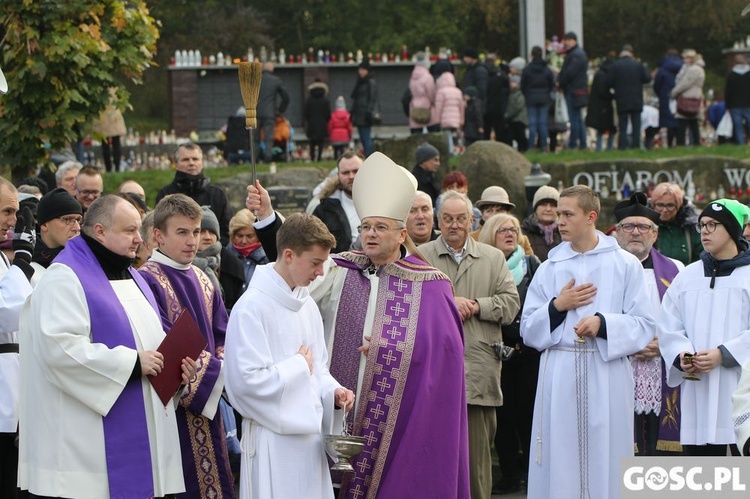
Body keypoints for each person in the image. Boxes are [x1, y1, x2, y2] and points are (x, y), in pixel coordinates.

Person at [308, 152, 470, 498]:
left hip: (400, 415)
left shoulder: (431, 284)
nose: (370, 235)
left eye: (380, 228)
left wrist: (392, 348)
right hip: (337, 409)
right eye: (365, 227)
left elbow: (446, 355)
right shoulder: (338, 270)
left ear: (401, 235)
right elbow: (290, 288)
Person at [18, 195, 194, 498]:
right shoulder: (65, 277)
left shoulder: (133, 276)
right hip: (87, 454)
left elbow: (150, 343)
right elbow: (60, 350)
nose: (139, 240)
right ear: (100, 231)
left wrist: (176, 371)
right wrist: (133, 363)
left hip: (145, 437)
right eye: (129, 231)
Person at [521, 185, 654, 499]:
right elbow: (528, 329)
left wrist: (603, 323)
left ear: (591, 216)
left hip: (605, 373)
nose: (560, 221)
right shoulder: (549, 267)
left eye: (568, 214)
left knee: (605, 452)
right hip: (560, 371)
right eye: (558, 214)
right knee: (561, 452)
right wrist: (557, 306)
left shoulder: (624, 265)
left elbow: (645, 324)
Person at [224, 213, 355, 499]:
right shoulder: (251, 307)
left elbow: (318, 369)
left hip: (309, 444)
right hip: (273, 443)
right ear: (288, 254)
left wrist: (333, 391)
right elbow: (244, 384)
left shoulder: (305, 305)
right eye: (315, 262)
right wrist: (297, 366)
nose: (320, 272)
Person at [420, 192, 520, 499]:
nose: (454, 225)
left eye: (461, 218)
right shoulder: (420, 256)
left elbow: (511, 305)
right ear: (438, 221)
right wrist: (450, 303)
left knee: (477, 463)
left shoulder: (492, 258)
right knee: (434, 460)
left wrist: (477, 305)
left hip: (478, 370)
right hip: (433, 373)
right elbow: (410, 306)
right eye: (447, 219)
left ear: (472, 221)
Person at [138, 194, 235, 498]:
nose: (193, 241)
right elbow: (159, 338)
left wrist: (223, 367)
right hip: (170, 404)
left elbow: (222, 334)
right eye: (182, 232)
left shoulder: (204, 279)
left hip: (209, 403)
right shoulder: (145, 280)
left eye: (195, 232)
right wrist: (219, 376)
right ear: (158, 236)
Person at [659, 198, 750, 456]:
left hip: (740, 390)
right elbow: (669, 323)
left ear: (732, 230)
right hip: (697, 391)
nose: (705, 231)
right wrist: (681, 355)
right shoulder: (687, 276)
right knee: (703, 474)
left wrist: (724, 354)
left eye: (713, 225)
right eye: (702, 226)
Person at [612, 193, 685, 456]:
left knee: (659, 448)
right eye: (628, 226)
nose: (635, 232)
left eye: (643, 227)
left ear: (655, 234)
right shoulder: (606, 270)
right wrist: (629, 344)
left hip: (661, 367)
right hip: (619, 365)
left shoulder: (676, 270)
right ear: (617, 233)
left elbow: (684, 320)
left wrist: (662, 344)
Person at [478, 213, 541, 495]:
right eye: (502, 229)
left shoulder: (531, 264)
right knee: (502, 418)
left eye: (514, 229)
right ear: (490, 233)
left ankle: (531, 471)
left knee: (529, 415)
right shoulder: (485, 265)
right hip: (496, 349)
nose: (509, 233)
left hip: (528, 352)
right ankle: (509, 474)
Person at [156, 142, 233, 245]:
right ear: (176, 163)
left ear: (201, 162)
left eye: (195, 159)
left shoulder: (217, 195)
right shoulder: (165, 195)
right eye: (185, 159)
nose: (191, 163)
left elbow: (226, 231)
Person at [312, 151, 364, 253]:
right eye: (345, 173)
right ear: (338, 175)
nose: (351, 176)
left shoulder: (383, 204)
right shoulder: (324, 210)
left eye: (356, 171)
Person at [221, 209, 269, 312]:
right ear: (233, 236)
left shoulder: (267, 260)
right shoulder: (224, 259)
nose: (244, 241)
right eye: (239, 236)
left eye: (249, 236)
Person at [609, 44, 652, 150]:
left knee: (622, 126)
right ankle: (635, 146)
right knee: (636, 125)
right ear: (631, 53)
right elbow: (647, 78)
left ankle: (622, 146)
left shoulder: (616, 66)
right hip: (636, 99)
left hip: (621, 99)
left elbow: (609, 82)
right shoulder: (637, 65)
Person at [649, 182, 702, 266]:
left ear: (678, 205)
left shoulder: (691, 228)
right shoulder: (645, 227)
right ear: (653, 205)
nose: (665, 210)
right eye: (660, 205)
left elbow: (702, 258)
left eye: (670, 205)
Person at [558, 32, 589, 150]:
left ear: (574, 41)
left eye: (568, 40)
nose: (566, 43)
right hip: (578, 90)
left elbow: (569, 73)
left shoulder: (575, 55)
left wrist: (560, 82)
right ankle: (583, 143)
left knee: (574, 118)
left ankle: (573, 144)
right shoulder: (577, 54)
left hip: (573, 90)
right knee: (578, 118)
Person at [522, 46, 555, 152]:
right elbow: (551, 84)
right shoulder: (547, 69)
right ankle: (544, 147)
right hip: (544, 98)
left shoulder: (527, 69)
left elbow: (523, 85)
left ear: (531, 55)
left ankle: (531, 146)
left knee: (532, 123)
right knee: (542, 124)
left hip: (531, 97)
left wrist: (527, 94)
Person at [671, 49, 705, 146]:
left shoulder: (695, 69)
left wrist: (674, 92)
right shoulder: (687, 68)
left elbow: (685, 83)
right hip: (689, 97)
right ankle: (693, 143)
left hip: (689, 98)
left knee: (687, 122)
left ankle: (686, 143)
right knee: (691, 123)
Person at [258, 62, 290, 163]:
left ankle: (255, 159)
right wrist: (280, 111)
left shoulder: (255, 80)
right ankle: (268, 158)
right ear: (272, 70)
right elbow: (286, 97)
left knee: (254, 138)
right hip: (269, 113)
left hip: (255, 113)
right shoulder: (275, 80)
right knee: (268, 137)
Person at [521, 185, 561, 261]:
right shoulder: (523, 233)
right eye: (543, 205)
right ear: (535, 208)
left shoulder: (566, 232)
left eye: (553, 205)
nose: (548, 209)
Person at [92, 87, 127, 172]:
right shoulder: (115, 88)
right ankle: (116, 167)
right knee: (115, 143)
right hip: (114, 117)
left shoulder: (97, 88)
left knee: (106, 144)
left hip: (102, 118)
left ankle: (109, 168)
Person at [653, 49, 683, 148]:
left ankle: (670, 144)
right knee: (679, 120)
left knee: (669, 122)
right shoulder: (683, 67)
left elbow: (657, 84)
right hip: (680, 97)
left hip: (666, 96)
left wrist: (661, 93)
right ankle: (680, 143)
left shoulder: (662, 69)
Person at [349, 59, 378, 156]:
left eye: (362, 69)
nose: (360, 72)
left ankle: (368, 156)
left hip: (365, 114)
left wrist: (368, 111)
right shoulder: (360, 82)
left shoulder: (370, 82)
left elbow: (372, 97)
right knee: (362, 137)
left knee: (366, 138)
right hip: (359, 114)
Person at [408, 51, 439, 134]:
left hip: (415, 107)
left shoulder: (413, 77)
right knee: (433, 135)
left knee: (416, 137)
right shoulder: (428, 77)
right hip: (427, 108)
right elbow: (431, 93)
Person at [435, 71, 464, 153]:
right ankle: (458, 151)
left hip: (445, 119)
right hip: (456, 119)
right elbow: (461, 107)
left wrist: (437, 120)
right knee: (456, 137)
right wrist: (461, 120)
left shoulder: (441, 92)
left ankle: (450, 151)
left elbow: (438, 107)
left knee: (447, 137)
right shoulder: (458, 91)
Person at [725, 54, 750, 145]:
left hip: (735, 104)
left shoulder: (731, 75)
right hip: (748, 103)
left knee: (737, 126)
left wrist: (727, 105)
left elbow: (728, 91)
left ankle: (741, 143)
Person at [304, 79, 331, 162]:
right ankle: (319, 158)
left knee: (312, 142)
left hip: (312, 124)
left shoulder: (309, 100)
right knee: (320, 143)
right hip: (322, 124)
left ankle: (312, 158)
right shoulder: (325, 100)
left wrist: (309, 120)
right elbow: (328, 114)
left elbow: (306, 113)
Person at [504, 75, 529, 152]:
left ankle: (524, 149)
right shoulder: (510, 94)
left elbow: (518, 106)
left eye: (514, 82)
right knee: (511, 136)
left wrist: (508, 115)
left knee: (520, 136)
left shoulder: (519, 94)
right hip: (512, 119)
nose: (511, 84)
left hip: (519, 119)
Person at [463, 49, 488, 115]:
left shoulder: (479, 70)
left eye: (466, 57)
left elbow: (481, 88)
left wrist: (472, 97)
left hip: (476, 105)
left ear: (471, 57)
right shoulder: (470, 69)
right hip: (471, 103)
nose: (464, 59)